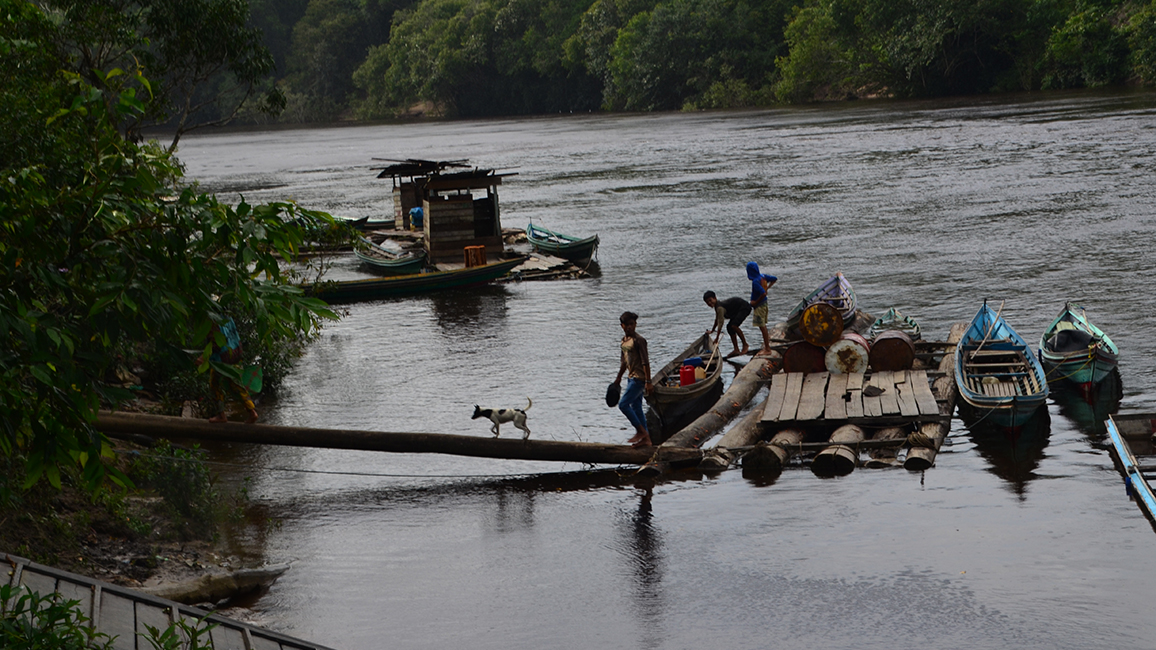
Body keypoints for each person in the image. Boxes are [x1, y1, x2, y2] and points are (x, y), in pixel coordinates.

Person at [203, 317, 259, 424]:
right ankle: (251, 411)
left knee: (214, 384)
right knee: (237, 385)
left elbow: (215, 344)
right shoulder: (228, 318)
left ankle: (222, 415)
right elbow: (235, 336)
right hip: (234, 355)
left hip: (222, 360)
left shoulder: (213, 321)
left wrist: (203, 357)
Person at [613, 311, 653, 448]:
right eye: (627, 325)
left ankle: (641, 432)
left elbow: (645, 362)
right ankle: (646, 440)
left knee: (623, 405)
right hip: (631, 378)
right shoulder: (624, 341)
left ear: (635, 324)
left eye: (632, 324)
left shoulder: (639, 340)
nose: (630, 327)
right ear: (622, 326)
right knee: (636, 406)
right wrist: (618, 378)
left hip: (639, 379)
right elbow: (624, 362)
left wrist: (648, 381)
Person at [703, 290, 751, 358]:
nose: (709, 303)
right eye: (707, 302)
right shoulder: (717, 307)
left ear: (715, 298)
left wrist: (717, 338)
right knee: (729, 327)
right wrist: (712, 330)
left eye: (710, 300)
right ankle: (736, 349)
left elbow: (720, 323)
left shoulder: (719, 308)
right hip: (736, 310)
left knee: (734, 326)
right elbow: (717, 320)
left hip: (744, 307)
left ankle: (745, 345)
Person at [746, 262, 778, 356]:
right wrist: (767, 288)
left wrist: (755, 302)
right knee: (763, 326)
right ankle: (767, 345)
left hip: (759, 306)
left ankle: (767, 349)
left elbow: (763, 293)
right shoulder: (763, 276)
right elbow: (774, 279)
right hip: (764, 304)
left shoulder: (756, 281)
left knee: (762, 326)